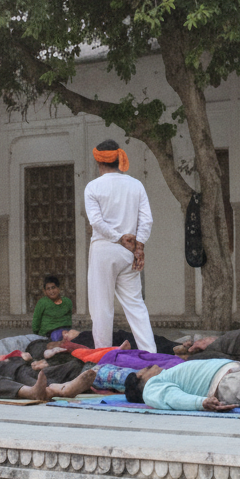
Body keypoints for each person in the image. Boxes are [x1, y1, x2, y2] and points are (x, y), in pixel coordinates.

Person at [84, 138, 155, 351]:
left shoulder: (93, 187)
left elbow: (96, 222)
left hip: (104, 250)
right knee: (136, 307)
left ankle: (104, 357)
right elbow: (147, 220)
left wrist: (117, 237)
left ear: (99, 161)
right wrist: (139, 246)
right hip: (128, 253)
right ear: (118, 159)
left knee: (102, 308)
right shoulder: (136, 184)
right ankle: (151, 354)